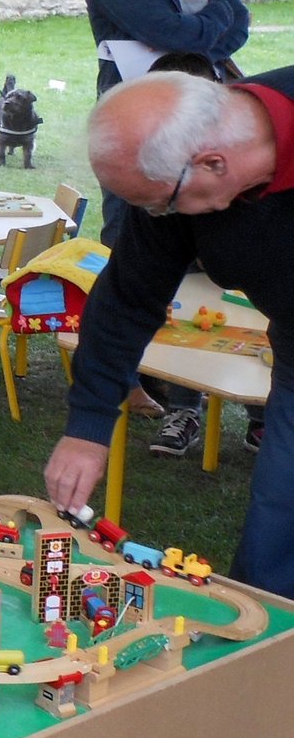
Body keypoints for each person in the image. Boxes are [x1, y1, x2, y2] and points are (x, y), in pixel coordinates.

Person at [47, 68, 292, 599]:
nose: (156, 216)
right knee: (278, 542)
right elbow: (128, 297)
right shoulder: (173, 170)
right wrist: (88, 428)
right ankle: (261, 668)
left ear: (213, 163)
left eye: (159, 203)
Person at [86, 0, 250, 444]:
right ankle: (129, 377)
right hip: (140, 120)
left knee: (204, 246)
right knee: (135, 246)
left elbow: (243, 21)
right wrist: (214, 23)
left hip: (204, 117)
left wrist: (210, 26)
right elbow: (179, 33)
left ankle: (193, 389)